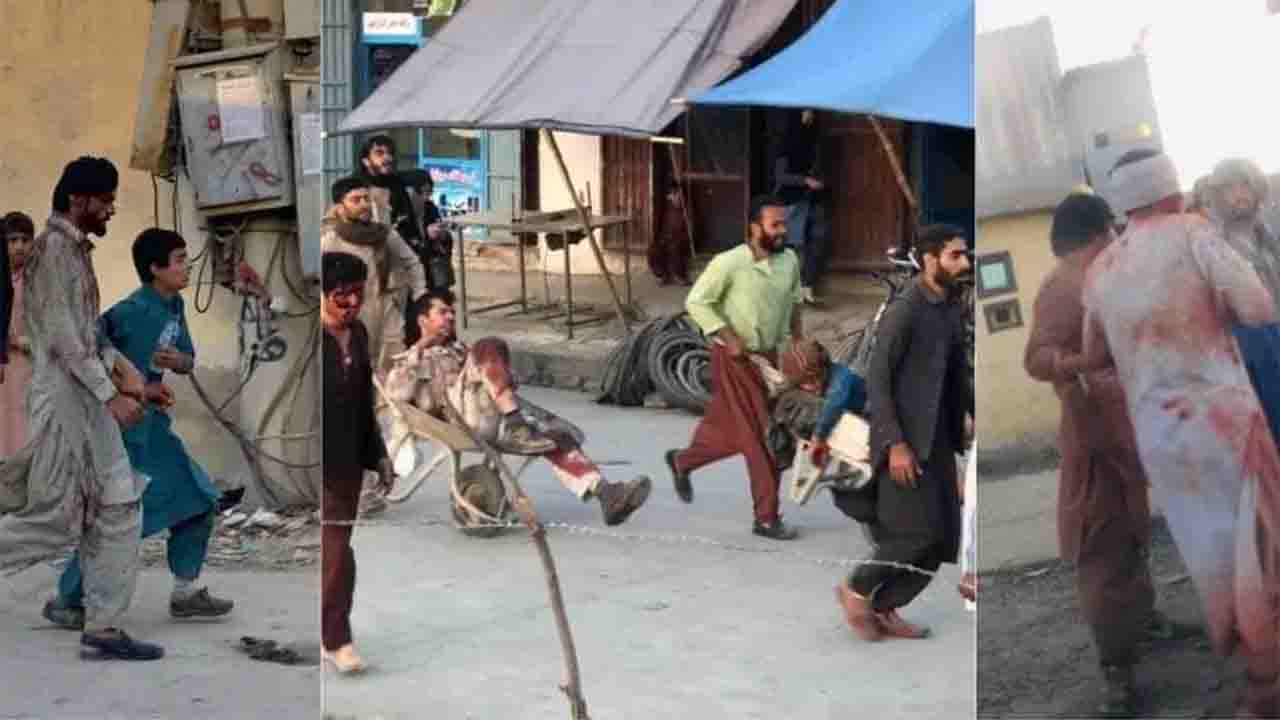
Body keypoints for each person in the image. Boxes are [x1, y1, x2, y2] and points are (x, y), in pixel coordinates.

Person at [1071, 149, 1279, 717]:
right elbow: (1259, 308)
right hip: (1224, 422)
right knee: (1261, 549)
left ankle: (1249, 675)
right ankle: (1268, 684)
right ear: (1169, 190)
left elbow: (1094, 355)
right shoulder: (1193, 232)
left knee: (1210, 554)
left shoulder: (1102, 268)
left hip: (1160, 437)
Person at [0, 156, 161, 660]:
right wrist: (109, 393)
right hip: (66, 407)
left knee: (117, 507)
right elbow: (66, 342)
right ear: (78, 200)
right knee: (53, 520)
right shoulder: (51, 253)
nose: (112, 208)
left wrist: (124, 371)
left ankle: (105, 625)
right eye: (106, 199)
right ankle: (102, 622)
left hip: (86, 402)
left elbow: (87, 334)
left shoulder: (75, 252)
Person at [42, 228, 233, 630]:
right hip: (124, 429)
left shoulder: (175, 306)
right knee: (121, 519)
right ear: (154, 268)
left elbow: (188, 359)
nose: (187, 267)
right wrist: (131, 389)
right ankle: (68, 596)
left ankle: (185, 591)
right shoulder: (127, 313)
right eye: (179, 259)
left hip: (154, 427)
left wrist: (178, 361)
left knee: (198, 500)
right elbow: (89, 355)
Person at [1024, 192, 1163, 715]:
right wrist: (1080, 362)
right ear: (1097, 234)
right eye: (1112, 231)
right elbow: (1035, 358)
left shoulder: (1103, 279)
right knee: (1102, 554)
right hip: (1093, 445)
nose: (1118, 240)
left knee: (1132, 538)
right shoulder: (1063, 286)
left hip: (1123, 437)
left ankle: (1144, 623)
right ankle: (1116, 673)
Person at [386, 289, 652, 525]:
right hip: (462, 416)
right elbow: (397, 397)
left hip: (494, 412)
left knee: (560, 437)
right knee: (489, 346)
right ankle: (515, 423)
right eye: (442, 312)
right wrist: (420, 358)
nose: (450, 317)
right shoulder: (411, 359)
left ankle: (607, 496)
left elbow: (512, 382)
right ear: (423, 320)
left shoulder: (461, 351)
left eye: (452, 312)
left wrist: (491, 371)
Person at [838, 223, 973, 642]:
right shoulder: (905, 311)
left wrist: (972, 414)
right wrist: (896, 444)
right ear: (930, 259)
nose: (965, 263)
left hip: (937, 440)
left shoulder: (950, 307)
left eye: (964, 254)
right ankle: (856, 588)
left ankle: (886, 606)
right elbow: (878, 381)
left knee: (942, 536)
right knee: (914, 534)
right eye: (955, 255)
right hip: (902, 442)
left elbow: (955, 374)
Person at [664, 194, 805, 540]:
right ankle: (767, 517)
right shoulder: (729, 262)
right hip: (733, 359)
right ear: (754, 228)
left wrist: (798, 341)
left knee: (733, 430)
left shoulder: (789, 261)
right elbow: (696, 302)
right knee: (763, 437)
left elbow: (795, 301)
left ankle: (683, 461)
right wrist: (729, 337)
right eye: (775, 225)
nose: (782, 231)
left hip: (767, 360)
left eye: (784, 224)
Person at [321, 251, 395, 674]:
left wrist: (379, 454)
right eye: (340, 295)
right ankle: (336, 639)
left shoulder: (361, 334)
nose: (350, 303)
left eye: (357, 294)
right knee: (333, 554)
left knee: (340, 552)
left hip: (351, 460)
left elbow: (365, 403)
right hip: (322, 464)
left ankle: (330, 627)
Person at [322, 175, 428, 374]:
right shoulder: (330, 241)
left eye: (366, 199)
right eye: (356, 200)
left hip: (386, 306)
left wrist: (420, 294)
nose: (364, 205)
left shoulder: (384, 234)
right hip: (351, 311)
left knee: (394, 363)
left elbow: (412, 262)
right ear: (339, 206)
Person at [1204, 157, 1280, 309]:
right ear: (1218, 195)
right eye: (1229, 188)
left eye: (1245, 184)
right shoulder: (1213, 245)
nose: (1239, 194)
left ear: (1256, 188)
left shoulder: (1268, 233)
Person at [774, 109, 829, 305]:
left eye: (812, 114)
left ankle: (807, 287)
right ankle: (789, 291)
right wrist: (805, 181)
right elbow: (781, 177)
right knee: (793, 247)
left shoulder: (815, 141)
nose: (809, 118)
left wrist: (819, 181)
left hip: (814, 199)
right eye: (805, 114)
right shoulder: (786, 144)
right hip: (793, 201)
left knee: (817, 243)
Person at [1, 211, 34, 457]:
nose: (19, 246)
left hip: (29, 366)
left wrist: (21, 342)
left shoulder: (37, 282)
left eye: (25, 239)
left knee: (23, 442)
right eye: (12, 240)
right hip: (3, 368)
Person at [648, 181, 692, 286]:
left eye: (677, 194)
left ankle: (679, 276)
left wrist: (680, 236)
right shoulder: (668, 209)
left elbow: (690, 229)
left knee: (674, 247)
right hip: (668, 238)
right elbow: (664, 228)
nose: (675, 197)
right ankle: (663, 275)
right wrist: (664, 238)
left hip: (681, 238)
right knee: (654, 249)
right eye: (673, 195)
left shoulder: (686, 209)